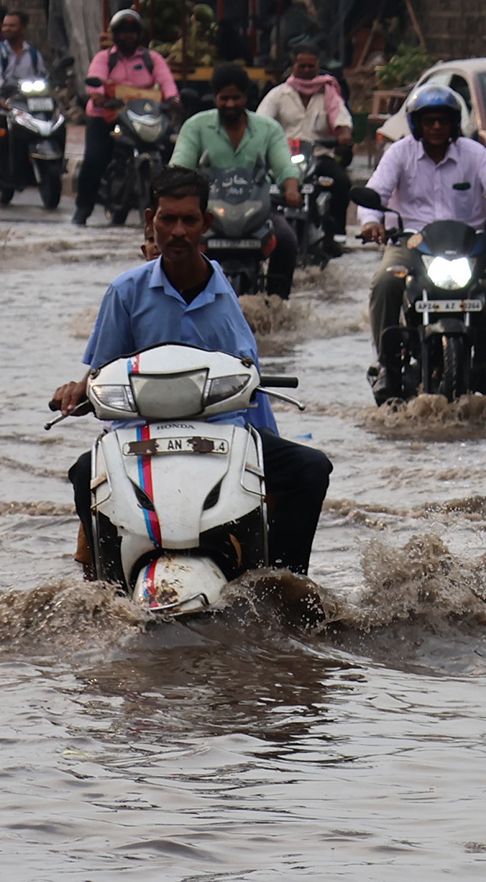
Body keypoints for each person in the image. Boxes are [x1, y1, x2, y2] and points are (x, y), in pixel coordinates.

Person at [51, 166, 333, 576]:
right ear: (152, 222)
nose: (178, 231)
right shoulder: (125, 292)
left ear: (207, 223)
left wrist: (263, 437)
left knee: (311, 469)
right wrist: (78, 390)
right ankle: (106, 587)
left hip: (220, 435)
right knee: (82, 474)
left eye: (189, 220)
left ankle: (283, 582)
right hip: (141, 440)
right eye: (168, 219)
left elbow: (246, 377)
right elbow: (101, 372)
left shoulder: (223, 294)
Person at [358, 83, 486, 404]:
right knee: (384, 282)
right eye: (429, 121)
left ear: (454, 124)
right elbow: (375, 194)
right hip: (410, 244)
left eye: (443, 121)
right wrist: (370, 222)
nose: (436, 127)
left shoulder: (474, 154)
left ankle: (482, 363)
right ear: (416, 124)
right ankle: (386, 363)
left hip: (468, 247)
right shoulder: (400, 153)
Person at [170, 62, 302, 298]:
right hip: (208, 212)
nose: (230, 104)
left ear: (246, 97)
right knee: (176, 240)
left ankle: (278, 303)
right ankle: (179, 297)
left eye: (236, 98)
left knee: (287, 239)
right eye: (224, 98)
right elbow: (180, 166)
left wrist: (291, 189)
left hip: (258, 211)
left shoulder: (268, 129)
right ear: (215, 98)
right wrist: (175, 190)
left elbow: (285, 167)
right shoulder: (196, 126)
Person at [72, 9, 182, 226]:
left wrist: (173, 100)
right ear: (115, 35)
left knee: (172, 150)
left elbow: (168, 84)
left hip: (143, 116)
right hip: (107, 117)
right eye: (123, 32)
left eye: (132, 32)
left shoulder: (153, 59)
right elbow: (95, 81)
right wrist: (100, 97)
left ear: (139, 34)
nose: (127, 36)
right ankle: (83, 209)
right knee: (95, 158)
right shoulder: (104, 58)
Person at [256, 40, 353, 257]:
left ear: (318, 65)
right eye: (302, 66)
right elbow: (260, 123)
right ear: (293, 65)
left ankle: (335, 234)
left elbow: (343, 121)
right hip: (283, 158)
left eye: (312, 66)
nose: (307, 70)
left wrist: (344, 134)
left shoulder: (329, 94)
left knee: (342, 181)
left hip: (319, 156)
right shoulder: (278, 94)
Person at [0, 10, 46, 89]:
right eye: (4, 25)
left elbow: (42, 75)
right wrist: (6, 87)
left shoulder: (34, 54)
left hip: (31, 95)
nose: (7, 29)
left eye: (12, 26)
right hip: (6, 97)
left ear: (23, 28)